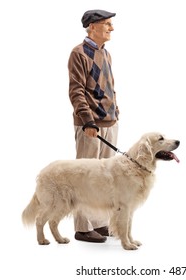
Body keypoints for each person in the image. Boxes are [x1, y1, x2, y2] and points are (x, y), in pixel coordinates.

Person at [67, 9, 119, 243]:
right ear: (92, 26)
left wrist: (115, 112)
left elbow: (109, 88)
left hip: (109, 122)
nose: (111, 28)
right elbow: (76, 90)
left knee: (105, 176)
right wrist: (87, 120)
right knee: (85, 176)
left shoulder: (105, 54)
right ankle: (82, 227)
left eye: (110, 24)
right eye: (106, 24)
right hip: (91, 126)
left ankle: (99, 223)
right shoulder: (79, 53)